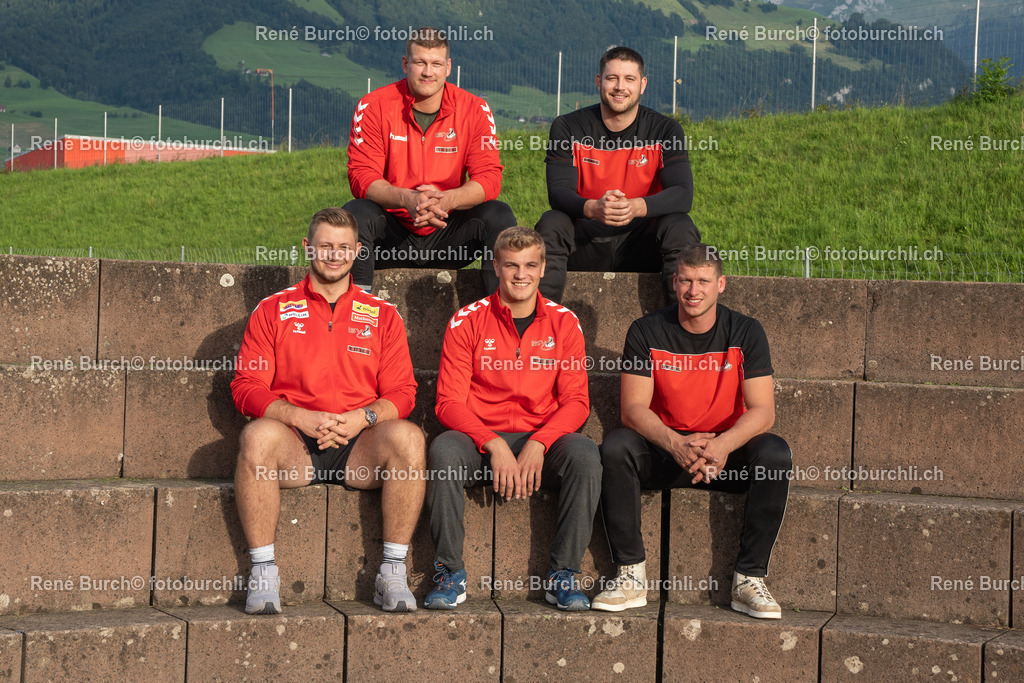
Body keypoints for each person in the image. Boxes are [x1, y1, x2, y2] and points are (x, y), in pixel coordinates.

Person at [231, 207, 425, 614]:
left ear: (357, 251)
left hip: (360, 447)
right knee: (256, 436)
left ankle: (392, 572)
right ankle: (263, 574)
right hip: (295, 446)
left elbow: (403, 393)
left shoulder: (383, 315)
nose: (334, 255)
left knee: (409, 437)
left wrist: (362, 418)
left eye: (342, 247)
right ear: (308, 248)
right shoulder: (273, 309)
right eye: (325, 246)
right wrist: (299, 417)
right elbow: (246, 387)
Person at [593, 243, 791, 618]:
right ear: (674, 282)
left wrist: (724, 445)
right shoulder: (646, 330)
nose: (693, 290)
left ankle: (748, 579)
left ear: (721, 285)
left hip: (724, 459)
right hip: (667, 454)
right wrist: (676, 443)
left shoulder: (746, 331)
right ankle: (630, 575)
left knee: (774, 454)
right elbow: (632, 410)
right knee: (617, 446)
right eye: (685, 280)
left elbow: (764, 411)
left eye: (703, 281)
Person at [425, 226, 602, 611]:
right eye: (511, 266)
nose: (521, 275)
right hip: (480, 441)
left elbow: (577, 402)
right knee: (443, 451)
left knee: (586, 455)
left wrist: (539, 442)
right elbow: (448, 403)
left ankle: (563, 574)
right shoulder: (466, 320)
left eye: (530, 266)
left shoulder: (564, 322)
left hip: (543, 440)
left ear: (543, 269)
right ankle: (449, 573)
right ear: (496, 267)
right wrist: (493, 443)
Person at [345, 26, 516, 292]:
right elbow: (361, 176)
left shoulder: (475, 109)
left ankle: (498, 309)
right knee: (356, 213)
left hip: (448, 234)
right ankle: (357, 307)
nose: (428, 72)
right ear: (405, 64)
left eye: (436, 64)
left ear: (448, 67)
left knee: (499, 214)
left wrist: (448, 200)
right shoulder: (374, 105)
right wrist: (406, 198)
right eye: (420, 63)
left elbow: (489, 177)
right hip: (392, 238)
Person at [536, 46, 701, 303]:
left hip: (643, 244)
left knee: (680, 225)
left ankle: (678, 321)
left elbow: (683, 195)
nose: (620, 87)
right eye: (612, 78)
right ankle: (542, 320)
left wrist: (636, 207)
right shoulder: (567, 127)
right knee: (552, 221)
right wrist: (593, 208)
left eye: (629, 79)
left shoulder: (666, 130)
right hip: (586, 240)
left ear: (642, 84)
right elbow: (558, 193)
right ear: (598, 81)